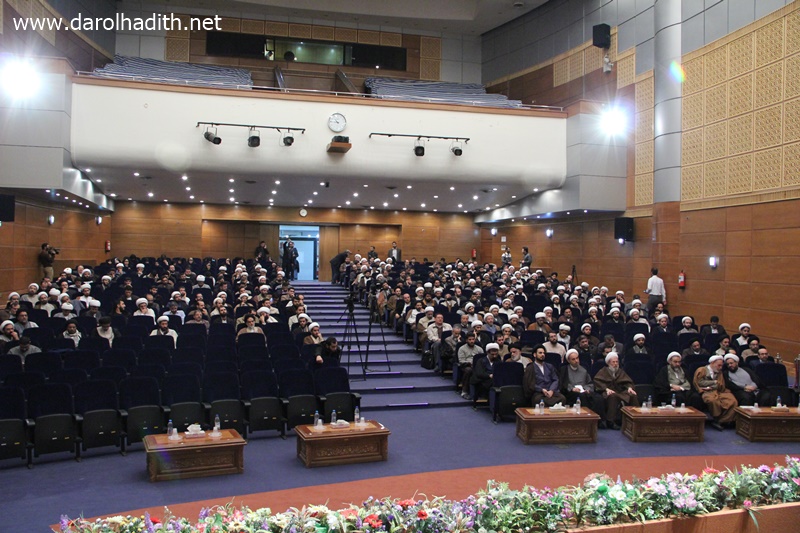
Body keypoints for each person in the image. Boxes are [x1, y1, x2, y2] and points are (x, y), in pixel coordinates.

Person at [559, 348, 606, 427]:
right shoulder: (564, 369)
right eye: (573, 359)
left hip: (584, 391)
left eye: (577, 358)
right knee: (582, 397)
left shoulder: (583, 369)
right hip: (571, 393)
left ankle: (598, 421)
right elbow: (563, 384)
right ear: (569, 361)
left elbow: (590, 383)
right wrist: (572, 388)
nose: (576, 361)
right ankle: (585, 422)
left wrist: (587, 389)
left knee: (598, 398)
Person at [593, 352, 639, 430]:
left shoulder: (620, 371)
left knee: (632, 395)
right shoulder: (603, 371)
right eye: (613, 362)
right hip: (607, 392)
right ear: (608, 363)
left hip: (620, 392)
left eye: (617, 362)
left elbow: (628, 382)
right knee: (613, 396)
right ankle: (610, 421)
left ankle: (636, 418)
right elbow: (597, 382)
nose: (615, 364)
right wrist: (606, 389)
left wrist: (629, 388)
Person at [693, 354, 738, 430]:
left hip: (719, 391)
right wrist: (714, 382)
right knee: (712, 400)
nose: (720, 368)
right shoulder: (702, 370)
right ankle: (716, 418)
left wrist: (714, 385)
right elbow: (699, 382)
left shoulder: (719, 372)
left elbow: (720, 384)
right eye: (719, 365)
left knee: (732, 401)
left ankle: (722, 420)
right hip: (706, 391)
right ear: (712, 363)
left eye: (721, 366)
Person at [457, 332, 483, 399]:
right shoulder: (462, 349)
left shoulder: (479, 349)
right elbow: (461, 361)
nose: (472, 341)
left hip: (478, 365)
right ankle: (464, 391)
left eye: (473, 339)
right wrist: (469, 363)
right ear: (466, 340)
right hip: (466, 365)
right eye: (470, 339)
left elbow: (483, 359)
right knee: (468, 370)